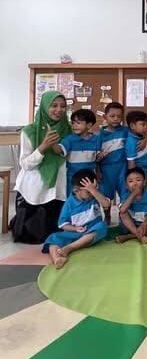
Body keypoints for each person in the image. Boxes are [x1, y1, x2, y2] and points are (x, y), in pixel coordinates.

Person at [11, 91, 70, 244]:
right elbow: (25, 164)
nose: (59, 110)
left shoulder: (68, 130)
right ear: (44, 106)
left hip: (59, 187)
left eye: (63, 106)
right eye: (54, 105)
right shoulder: (30, 131)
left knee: (57, 234)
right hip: (34, 187)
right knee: (32, 236)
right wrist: (43, 146)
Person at [42, 169, 109, 269]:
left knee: (102, 226)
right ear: (76, 190)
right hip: (75, 233)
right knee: (53, 238)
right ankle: (57, 259)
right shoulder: (69, 203)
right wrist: (75, 229)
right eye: (88, 191)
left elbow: (106, 204)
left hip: (91, 232)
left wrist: (93, 190)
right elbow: (62, 224)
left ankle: (69, 248)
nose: (92, 194)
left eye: (94, 189)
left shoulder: (95, 195)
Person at [55, 108, 101, 195]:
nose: (74, 125)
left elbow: (97, 160)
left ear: (89, 125)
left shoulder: (96, 139)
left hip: (89, 179)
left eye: (78, 123)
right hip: (73, 179)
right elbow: (59, 150)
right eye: (73, 123)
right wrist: (53, 143)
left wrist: (100, 157)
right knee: (73, 200)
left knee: (89, 200)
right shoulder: (69, 139)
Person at [97, 101, 129, 222]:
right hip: (106, 170)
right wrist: (98, 170)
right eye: (112, 116)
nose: (116, 119)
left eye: (119, 116)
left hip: (122, 168)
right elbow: (96, 155)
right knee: (106, 195)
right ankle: (107, 216)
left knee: (125, 193)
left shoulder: (126, 131)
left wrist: (144, 140)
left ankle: (124, 217)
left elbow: (139, 136)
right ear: (105, 117)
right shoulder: (100, 135)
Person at [116, 167, 147, 245]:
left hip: (143, 226)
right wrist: (133, 195)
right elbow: (122, 210)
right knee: (123, 214)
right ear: (126, 185)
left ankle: (129, 237)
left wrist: (145, 223)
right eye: (130, 181)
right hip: (128, 226)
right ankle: (139, 236)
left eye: (138, 180)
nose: (135, 183)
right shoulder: (125, 196)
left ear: (144, 182)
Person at [125, 110, 147, 187]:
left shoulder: (140, 136)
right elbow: (131, 163)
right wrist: (134, 179)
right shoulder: (131, 142)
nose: (146, 127)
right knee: (139, 193)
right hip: (139, 173)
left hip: (146, 170)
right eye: (143, 124)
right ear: (132, 126)